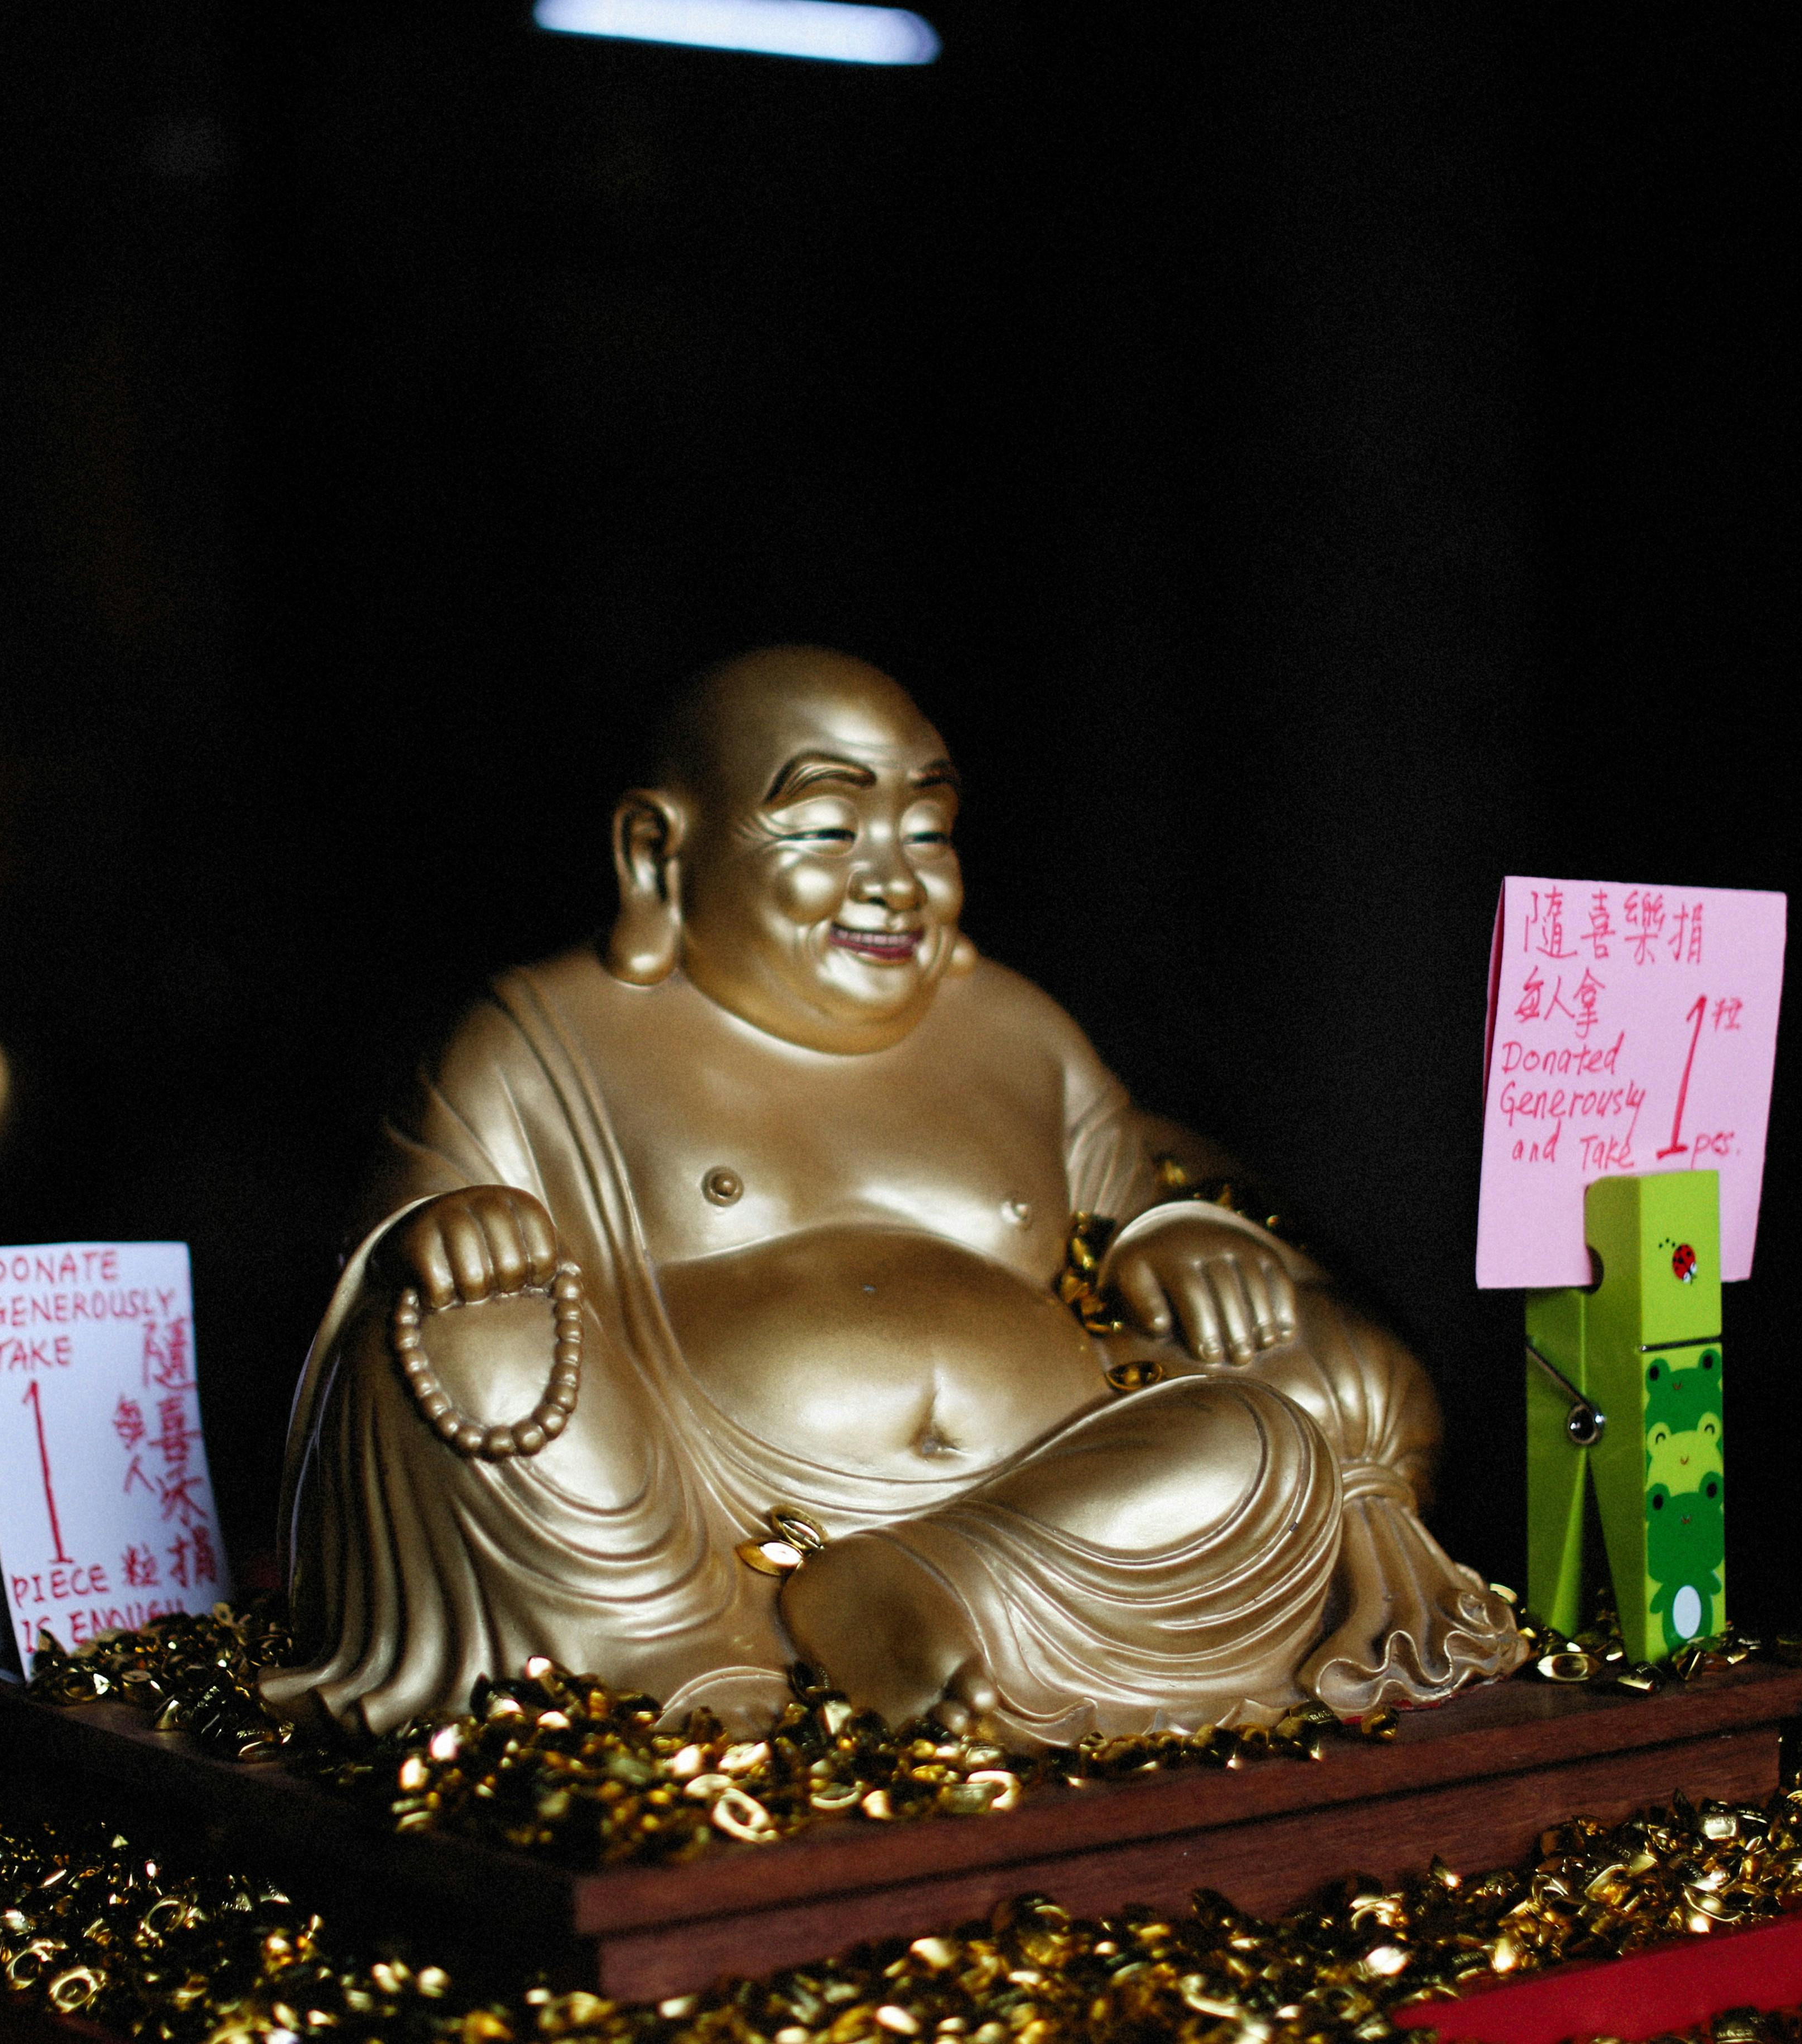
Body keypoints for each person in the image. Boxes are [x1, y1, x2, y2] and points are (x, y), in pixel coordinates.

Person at [264, 647, 1520, 1743]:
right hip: (688, 1517)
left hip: (1040, 1502)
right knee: (444, 1341)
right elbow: (401, 1246)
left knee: (1268, 1434)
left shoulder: (1019, 1035)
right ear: (658, 854)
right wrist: (453, 1225)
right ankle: (686, 1655)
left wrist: (1179, 1240)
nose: (892, 878)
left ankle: (930, 1597)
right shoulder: (544, 1036)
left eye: (926, 830)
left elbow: (1127, 1208)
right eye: (825, 831)